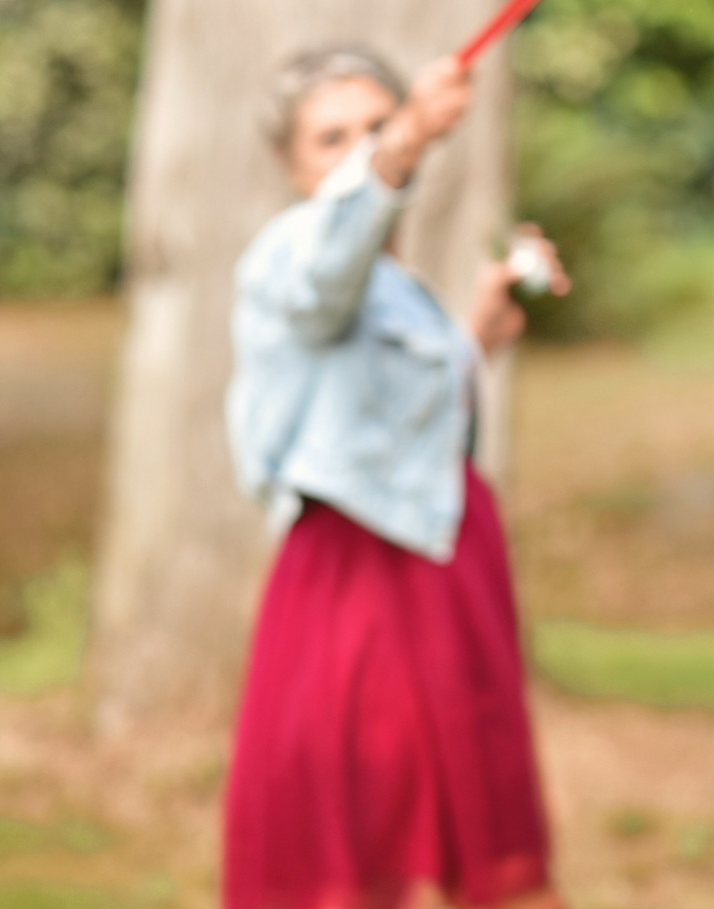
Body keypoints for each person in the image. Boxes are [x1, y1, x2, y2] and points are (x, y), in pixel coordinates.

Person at [222, 44, 570, 909]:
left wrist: (474, 337)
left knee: (463, 809)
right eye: (330, 136)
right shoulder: (291, 256)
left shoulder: (392, 283)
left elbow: (378, 413)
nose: (358, 149)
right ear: (288, 163)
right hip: (356, 574)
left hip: (447, 561)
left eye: (374, 125)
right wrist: (409, 133)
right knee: (360, 827)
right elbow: (328, 269)